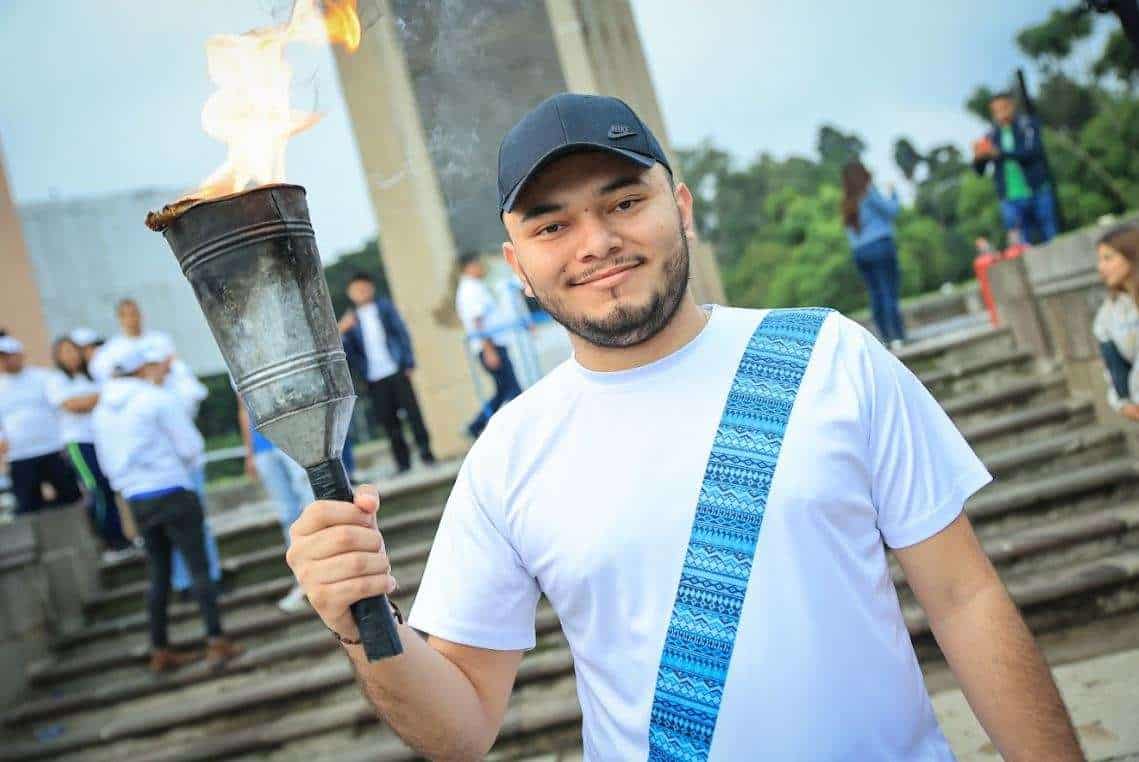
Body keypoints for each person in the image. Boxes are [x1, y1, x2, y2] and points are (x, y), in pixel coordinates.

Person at [285, 94, 1083, 760]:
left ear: (682, 207)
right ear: (517, 264)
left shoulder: (827, 354)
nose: (596, 243)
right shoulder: (508, 452)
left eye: (624, 202)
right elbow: (458, 729)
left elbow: (965, 598)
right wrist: (363, 620)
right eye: (551, 225)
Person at [92, 343, 243, 673]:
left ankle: (159, 649)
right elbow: (191, 447)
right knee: (198, 567)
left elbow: (105, 464)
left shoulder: (101, 410)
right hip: (172, 488)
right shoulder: (155, 399)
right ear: (142, 368)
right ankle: (216, 640)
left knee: (158, 573)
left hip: (137, 498)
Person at [338, 273, 436, 474]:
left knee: (413, 414)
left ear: (371, 288)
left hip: (396, 369)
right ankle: (403, 463)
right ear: (350, 294)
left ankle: (427, 455)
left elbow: (402, 333)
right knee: (388, 421)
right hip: (373, 377)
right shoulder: (350, 319)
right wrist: (342, 330)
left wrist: (408, 362)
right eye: (356, 290)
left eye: (364, 288)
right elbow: (345, 351)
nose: (361, 293)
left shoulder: (385, 308)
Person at [46, 335, 132, 556]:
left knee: (109, 487)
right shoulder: (56, 380)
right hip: (78, 442)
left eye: (74, 350)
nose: (71, 355)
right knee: (97, 488)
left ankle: (120, 538)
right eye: (65, 351)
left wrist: (95, 397)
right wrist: (101, 396)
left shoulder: (91, 377)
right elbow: (73, 405)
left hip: (101, 439)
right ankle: (107, 542)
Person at [238, 400, 313, 612]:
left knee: (311, 504)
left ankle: (323, 570)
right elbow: (243, 407)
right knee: (287, 513)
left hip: (292, 432)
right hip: (262, 445)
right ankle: (303, 579)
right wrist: (249, 451)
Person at [0, 336, 82, 514]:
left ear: (20, 354)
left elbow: (61, 407)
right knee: (27, 507)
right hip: (19, 456)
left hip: (52, 449)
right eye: (2, 357)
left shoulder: (43, 377)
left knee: (72, 497)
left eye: (9, 355)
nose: (5, 361)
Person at [972, 92, 1058, 245]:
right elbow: (980, 171)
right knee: (1020, 244)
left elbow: (1033, 153)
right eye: (996, 110)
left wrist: (999, 153)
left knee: (1050, 235)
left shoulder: (1027, 125)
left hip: (1036, 189)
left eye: (1004, 108)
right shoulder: (990, 135)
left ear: (1012, 106)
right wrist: (979, 158)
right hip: (1010, 197)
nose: (1001, 113)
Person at [455, 252, 524, 437]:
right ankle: (522, 430)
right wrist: (489, 351)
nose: (481, 268)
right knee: (514, 390)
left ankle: (475, 426)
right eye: (477, 264)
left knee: (503, 390)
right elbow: (478, 322)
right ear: (468, 267)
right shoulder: (470, 290)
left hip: (494, 345)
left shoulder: (475, 287)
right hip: (491, 347)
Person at [842, 160, 906, 349]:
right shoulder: (868, 193)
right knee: (888, 291)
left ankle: (885, 338)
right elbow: (892, 211)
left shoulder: (846, 202)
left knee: (875, 294)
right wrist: (893, 192)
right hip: (880, 246)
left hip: (860, 252)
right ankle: (897, 336)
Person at [1093, 223, 1139, 422]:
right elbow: (1114, 368)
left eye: (1108, 258)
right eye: (1100, 260)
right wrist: (1123, 403)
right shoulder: (1107, 316)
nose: (1101, 267)